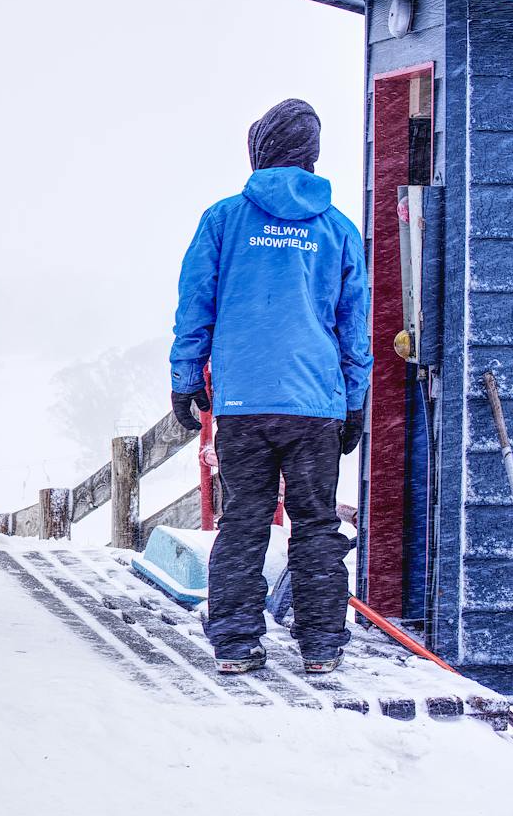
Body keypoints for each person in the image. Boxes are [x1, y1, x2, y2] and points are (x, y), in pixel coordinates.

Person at [170, 98, 372, 675]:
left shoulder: (224, 220)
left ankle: (235, 641)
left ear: (260, 152)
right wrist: (354, 401)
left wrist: (186, 378)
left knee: (245, 519)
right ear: (311, 155)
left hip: (243, 405)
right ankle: (322, 644)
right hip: (314, 407)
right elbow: (353, 326)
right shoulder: (337, 230)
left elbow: (195, 307)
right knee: (315, 524)